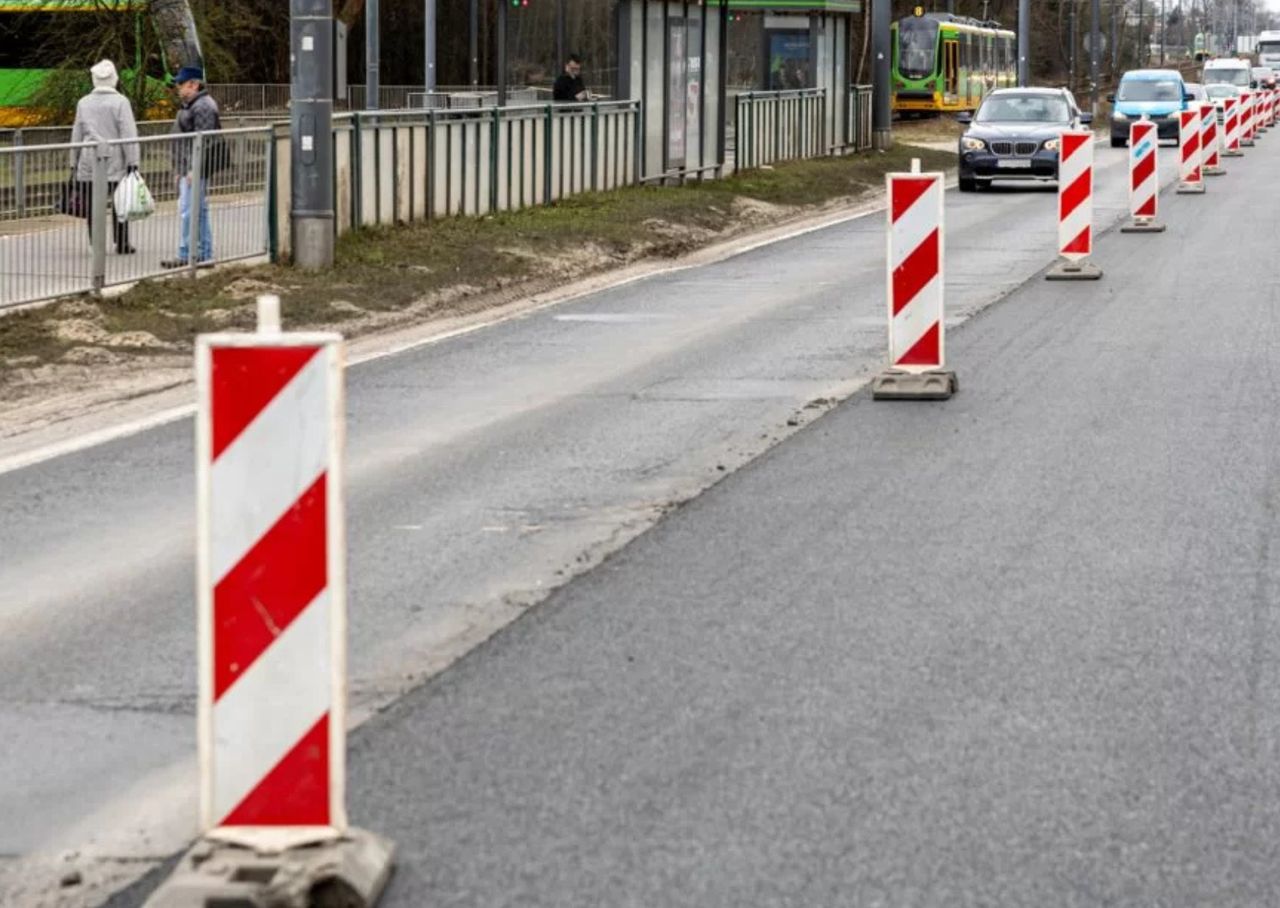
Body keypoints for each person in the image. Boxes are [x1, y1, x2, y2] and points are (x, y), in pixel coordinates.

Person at [70, 60, 140, 255]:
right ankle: (122, 242)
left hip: (89, 161)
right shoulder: (121, 102)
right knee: (121, 203)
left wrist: (72, 162)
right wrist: (133, 162)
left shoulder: (83, 103)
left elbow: (77, 133)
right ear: (114, 78)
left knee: (93, 206)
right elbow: (128, 134)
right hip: (115, 161)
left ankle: (96, 244)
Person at [161, 65, 219, 268]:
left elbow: (203, 141)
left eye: (181, 84)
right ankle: (203, 253)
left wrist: (194, 168)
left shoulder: (201, 106)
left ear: (193, 84)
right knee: (197, 209)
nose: (178, 88)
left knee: (188, 210)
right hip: (189, 166)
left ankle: (187, 253)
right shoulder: (195, 104)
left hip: (193, 167)